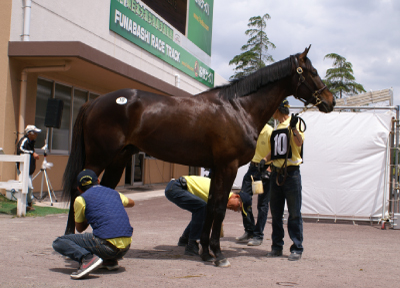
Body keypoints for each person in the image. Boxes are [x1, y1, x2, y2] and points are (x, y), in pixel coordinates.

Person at [52, 169, 135, 279]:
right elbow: (131, 203)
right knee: (102, 233)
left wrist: (88, 215)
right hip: (125, 248)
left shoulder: (81, 199)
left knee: (59, 242)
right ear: (99, 181)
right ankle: (109, 261)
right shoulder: (115, 193)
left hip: (106, 246)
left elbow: (80, 228)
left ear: (79, 189)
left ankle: (87, 259)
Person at [165, 175, 251, 256]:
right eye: (239, 206)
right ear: (236, 196)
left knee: (201, 211)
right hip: (176, 188)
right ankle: (192, 244)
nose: (236, 210)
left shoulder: (221, 194)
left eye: (239, 210)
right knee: (202, 208)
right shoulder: (219, 193)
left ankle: (185, 239)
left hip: (176, 187)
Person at [263, 99, 305, 261]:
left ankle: (297, 248)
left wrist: (294, 128)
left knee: (294, 213)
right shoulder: (277, 127)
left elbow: (299, 142)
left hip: (292, 174)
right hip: (276, 174)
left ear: (278, 110)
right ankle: (276, 246)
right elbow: (275, 150)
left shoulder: (294, 124)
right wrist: (264, 160)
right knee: (276, 213)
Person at [236, 123, 273, 246]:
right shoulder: (252, 128)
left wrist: (269, 169)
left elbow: (276, 152)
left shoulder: (269, 131)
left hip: (265, 168)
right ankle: (249, 230)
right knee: (243, 197)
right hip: (252, 167)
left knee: (262, 204)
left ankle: (258, 235)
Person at [16, 125, 41, 212]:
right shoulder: (24, 140)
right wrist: (32, 153)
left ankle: (28, 204)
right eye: (35, 133)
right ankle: (27, 204)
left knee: (29, 187)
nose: (36, 135)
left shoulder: (31, 142)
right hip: (23, 169)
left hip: (29, 169)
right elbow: (20, 149)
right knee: (28, 187)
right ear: (30, 133)